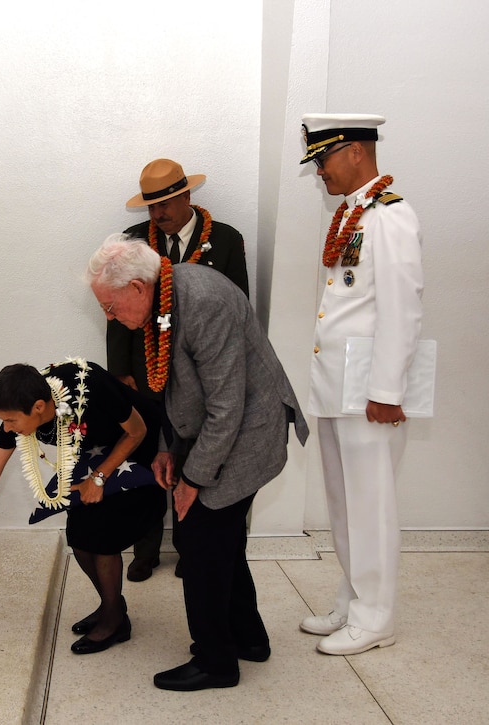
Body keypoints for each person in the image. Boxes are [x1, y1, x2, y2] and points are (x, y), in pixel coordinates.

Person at [88, 236, 308, 691]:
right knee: (221, 538)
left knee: (202, 539)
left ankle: (216, 662)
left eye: (110, 307)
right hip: (210, 427)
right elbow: (169, 383)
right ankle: (248, 638)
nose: (110, 318)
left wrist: (192, 479)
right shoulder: (161, 296)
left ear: (135, 286)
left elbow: (228, 406)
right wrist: (168, 446)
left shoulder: (204, 301)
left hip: (248, 430)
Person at [0, 359, 166, 655]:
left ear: (40, 407)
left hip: (138, 444)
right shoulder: (22, 406)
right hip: (95, 449)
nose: (7, 428)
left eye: (11, 421)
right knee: (81, 539)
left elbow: (137, 431)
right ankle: (112, 605)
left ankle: (113, 621)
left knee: (104, 538)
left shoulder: (90, 387)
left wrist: (99, 477)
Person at [296, 114, 424, 655]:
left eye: (322, 159)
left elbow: (403, 308)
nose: (319, 172)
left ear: (354, 152)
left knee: (371, 504)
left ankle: (377, 617)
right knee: (344, 502)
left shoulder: (391, 218)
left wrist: (387, 392)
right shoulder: (355, 215)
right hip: (339, 385)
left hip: (370, 390)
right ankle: (353, 600)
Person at [111, 158, 251, 583]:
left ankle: (191, 548)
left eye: (166, 204)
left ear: (187, 196)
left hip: (202, 371)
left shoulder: (225, 240)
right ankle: (145, 549)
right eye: (151, 207)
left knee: (194, 457)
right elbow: (117, 311)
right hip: (144, 368)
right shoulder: (134, 242)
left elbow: (237, 306)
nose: (158, 214)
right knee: (146, 458)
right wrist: (120, 370)